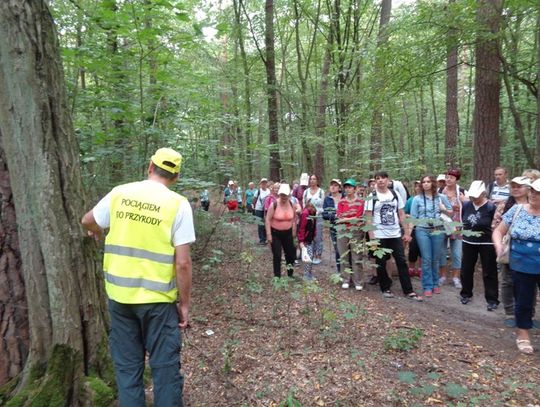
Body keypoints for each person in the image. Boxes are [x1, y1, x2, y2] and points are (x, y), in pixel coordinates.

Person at [81, 147, 195, 406]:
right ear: (176, 177)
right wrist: (184, 304)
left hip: (120, 300)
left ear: (149, 167)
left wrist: (97, 231)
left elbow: (87, 220)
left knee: (128, 371)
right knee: (165, 371)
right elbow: (183, 263)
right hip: (158, 303)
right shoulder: (177, 204)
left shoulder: (120, 193)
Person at [493, 179, 540, 354]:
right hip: (521, 264)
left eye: (539, 192)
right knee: (523, 300)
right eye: (533, 191)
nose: (535, 195)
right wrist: (499, 247)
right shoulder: (517, 210)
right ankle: (523, 334)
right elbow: (498, 231)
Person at [365, 171, 422, 301]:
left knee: (401, 261)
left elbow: (401, 214)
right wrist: (372, 238)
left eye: (383, 178)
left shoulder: (395, 194)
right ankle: (385, 288)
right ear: (375, 181)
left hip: (395, 233)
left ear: (388, 180)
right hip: (379, 234)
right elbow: (368, 219)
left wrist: (407, 233)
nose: (380, 180)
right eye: (377, 178)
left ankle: (408, 290)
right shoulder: (371, 196)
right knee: (381, 262)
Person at [492, 176, 532, 327]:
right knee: (508, 280)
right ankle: (509, 311)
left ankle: (529, 313)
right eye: (513, 186)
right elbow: (495, 226)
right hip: (510, 249)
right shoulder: (505, 205)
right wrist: (499, 245)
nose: (515, 189)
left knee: (530, 283)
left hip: (532, 253)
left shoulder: (534, 204)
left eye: (519, 186)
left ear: (528, 189)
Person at [459, 181, 499, 311]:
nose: (474, 199)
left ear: (483, 194)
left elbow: (496, 225)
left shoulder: (491, 207)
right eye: (472, 197)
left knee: (489, 271)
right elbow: (462, 220)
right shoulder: (466, 205)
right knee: (466, 268)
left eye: (476, 196)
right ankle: (465, 293)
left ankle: (492, 299)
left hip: (487, 242)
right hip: (468, 242)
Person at [410, 175, 452, 297]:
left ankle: (435, 283)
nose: (426, 184)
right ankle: (427, 285)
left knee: (436, 258)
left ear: (433, 183)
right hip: (422, 230)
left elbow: (450, 213)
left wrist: (443, 209)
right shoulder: (417, 199)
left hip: (438, 230)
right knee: (426, 258)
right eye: (424, 182)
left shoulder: (441, 197)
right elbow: (413, 218)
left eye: (428, 182)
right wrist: (408, 234)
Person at [439, 168, 466, 289]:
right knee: (442, 251)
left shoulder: (461, 191)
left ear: (456, 179)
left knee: (456, 253)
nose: (448, 179)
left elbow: (470, 205)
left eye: (451, 177)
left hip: (457, 224)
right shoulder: (440, 191)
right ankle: (442, 276)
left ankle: (456, 277)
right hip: (441, 223)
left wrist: (464, 201)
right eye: (447, 177)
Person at [336, 179, 366, 291]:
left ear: (355, 188)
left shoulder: (360, 202)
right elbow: (339, 217)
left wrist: (346, 219)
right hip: (343, 231)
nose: (348, 189)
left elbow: (359, 218)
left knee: (356, 255)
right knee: (344, 255)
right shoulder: (341, 202)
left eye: (350, 187)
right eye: (346, 187)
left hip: (356, 231)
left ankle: (358, 280)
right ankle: (345, 279)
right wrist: (348, 219)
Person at [265, 184, 297, 278]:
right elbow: (267, 220)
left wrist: (294, 230)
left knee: (290, 255)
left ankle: (290, 275)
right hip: (275, 233)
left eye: (286, 195)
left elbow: (294, 218)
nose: (284, 197)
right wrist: (269, 234)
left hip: (288, 233)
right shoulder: (274, 205)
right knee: (277, 255)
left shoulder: (291, 204)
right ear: (279, 194)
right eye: (282, 195)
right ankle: (277, 277)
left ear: (289, 195)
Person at [303, 174, 325, 264]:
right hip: (308, 217)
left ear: (317, 181)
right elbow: (304, 204)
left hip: (318, 217)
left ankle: (318, 254)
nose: (312, 180)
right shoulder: (306, 192)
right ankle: (310, 254)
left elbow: (322, 205)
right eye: (311, 179)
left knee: (318, 236)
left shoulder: (321, 192)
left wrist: (317, 212)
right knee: (309, 235)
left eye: (314, 179)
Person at [323, 179, 342, 273]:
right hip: (334, 226)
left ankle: (350, 272)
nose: (333, 187)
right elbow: (324, 214)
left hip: (346, 226)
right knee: (337, 249)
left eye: (335, 185)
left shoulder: (345, 197)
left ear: (339, 187)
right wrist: (334, 216)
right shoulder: (327, 199)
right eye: (331, 185)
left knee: (347, 249)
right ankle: (340, 272)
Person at [404, 181, 422, 277]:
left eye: (419, 186)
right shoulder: (411, 200)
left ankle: (420, 269)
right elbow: (404, 213)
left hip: (424, 226)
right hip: (413, 227)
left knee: (422, 249)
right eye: (416, 186)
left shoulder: (426, 200)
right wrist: (411, 216)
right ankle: (411, 268)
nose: (418, 188)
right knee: (413, 248)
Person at [298, 201, 318, 280]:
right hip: (305, 239)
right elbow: (302, 228)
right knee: (308, 256)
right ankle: (306, 275)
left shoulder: (313, 213)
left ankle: (309, 273)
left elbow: (314, 226)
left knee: (311, 255)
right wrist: (301, 240)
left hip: (311, 238)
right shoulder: (305, 213)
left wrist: (314, 234)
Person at [253, 178, 270, 245]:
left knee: (266, 223)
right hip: (259, 209)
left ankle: (265, 238)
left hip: (266, 209)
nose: (264, 184)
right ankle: (261, 239)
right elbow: (254, 199)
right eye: (263, 183)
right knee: (260, 224)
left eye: (265, 183)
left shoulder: (269, 191)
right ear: (260, 184)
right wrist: (253, 207)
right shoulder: (258, 191)